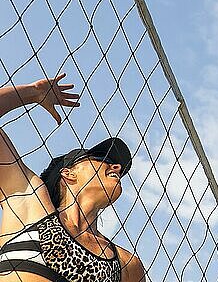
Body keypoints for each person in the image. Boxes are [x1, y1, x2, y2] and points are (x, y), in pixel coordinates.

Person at [0, 73, 146, 282]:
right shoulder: (29, 203)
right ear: (68, 173)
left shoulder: (126, 265)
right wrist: (33, 93)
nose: (117, 167)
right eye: (100, 158)